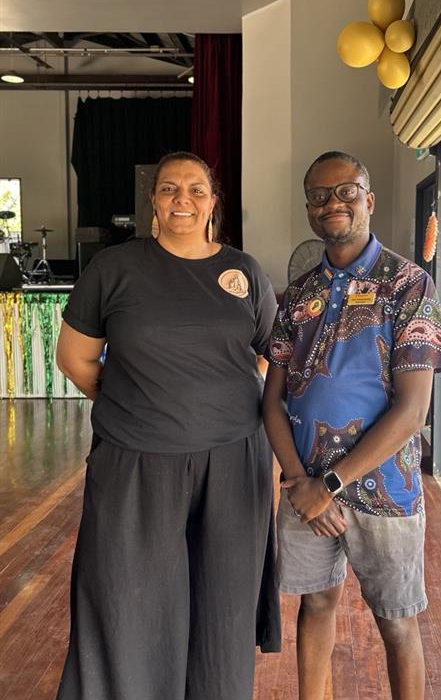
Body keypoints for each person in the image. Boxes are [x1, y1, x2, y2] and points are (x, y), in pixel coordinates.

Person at [55, 151, 280, 700]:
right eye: (169, 189)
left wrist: (217, 396)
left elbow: (269, 354)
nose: (184, 199)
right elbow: (75, 359)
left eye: (197, 189)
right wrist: (139, 399)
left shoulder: (245, 272)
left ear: (213, 202)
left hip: (234, 460)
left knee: (224, 603)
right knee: (129, 598)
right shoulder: (113, 269)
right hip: (134, 461)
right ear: (153, 202)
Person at [263, 151, 441, 700]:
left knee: (397, 622)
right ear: (308, 208)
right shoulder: (299, 294)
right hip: (305, 489)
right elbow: (272, 401)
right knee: (316, 603)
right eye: (319, 195)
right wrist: (300, 483)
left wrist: (328, 485)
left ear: (368, 199)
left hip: (385, 490)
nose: (332, 203)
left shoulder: (408, 285)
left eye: (346, 191)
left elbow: (412, 412)